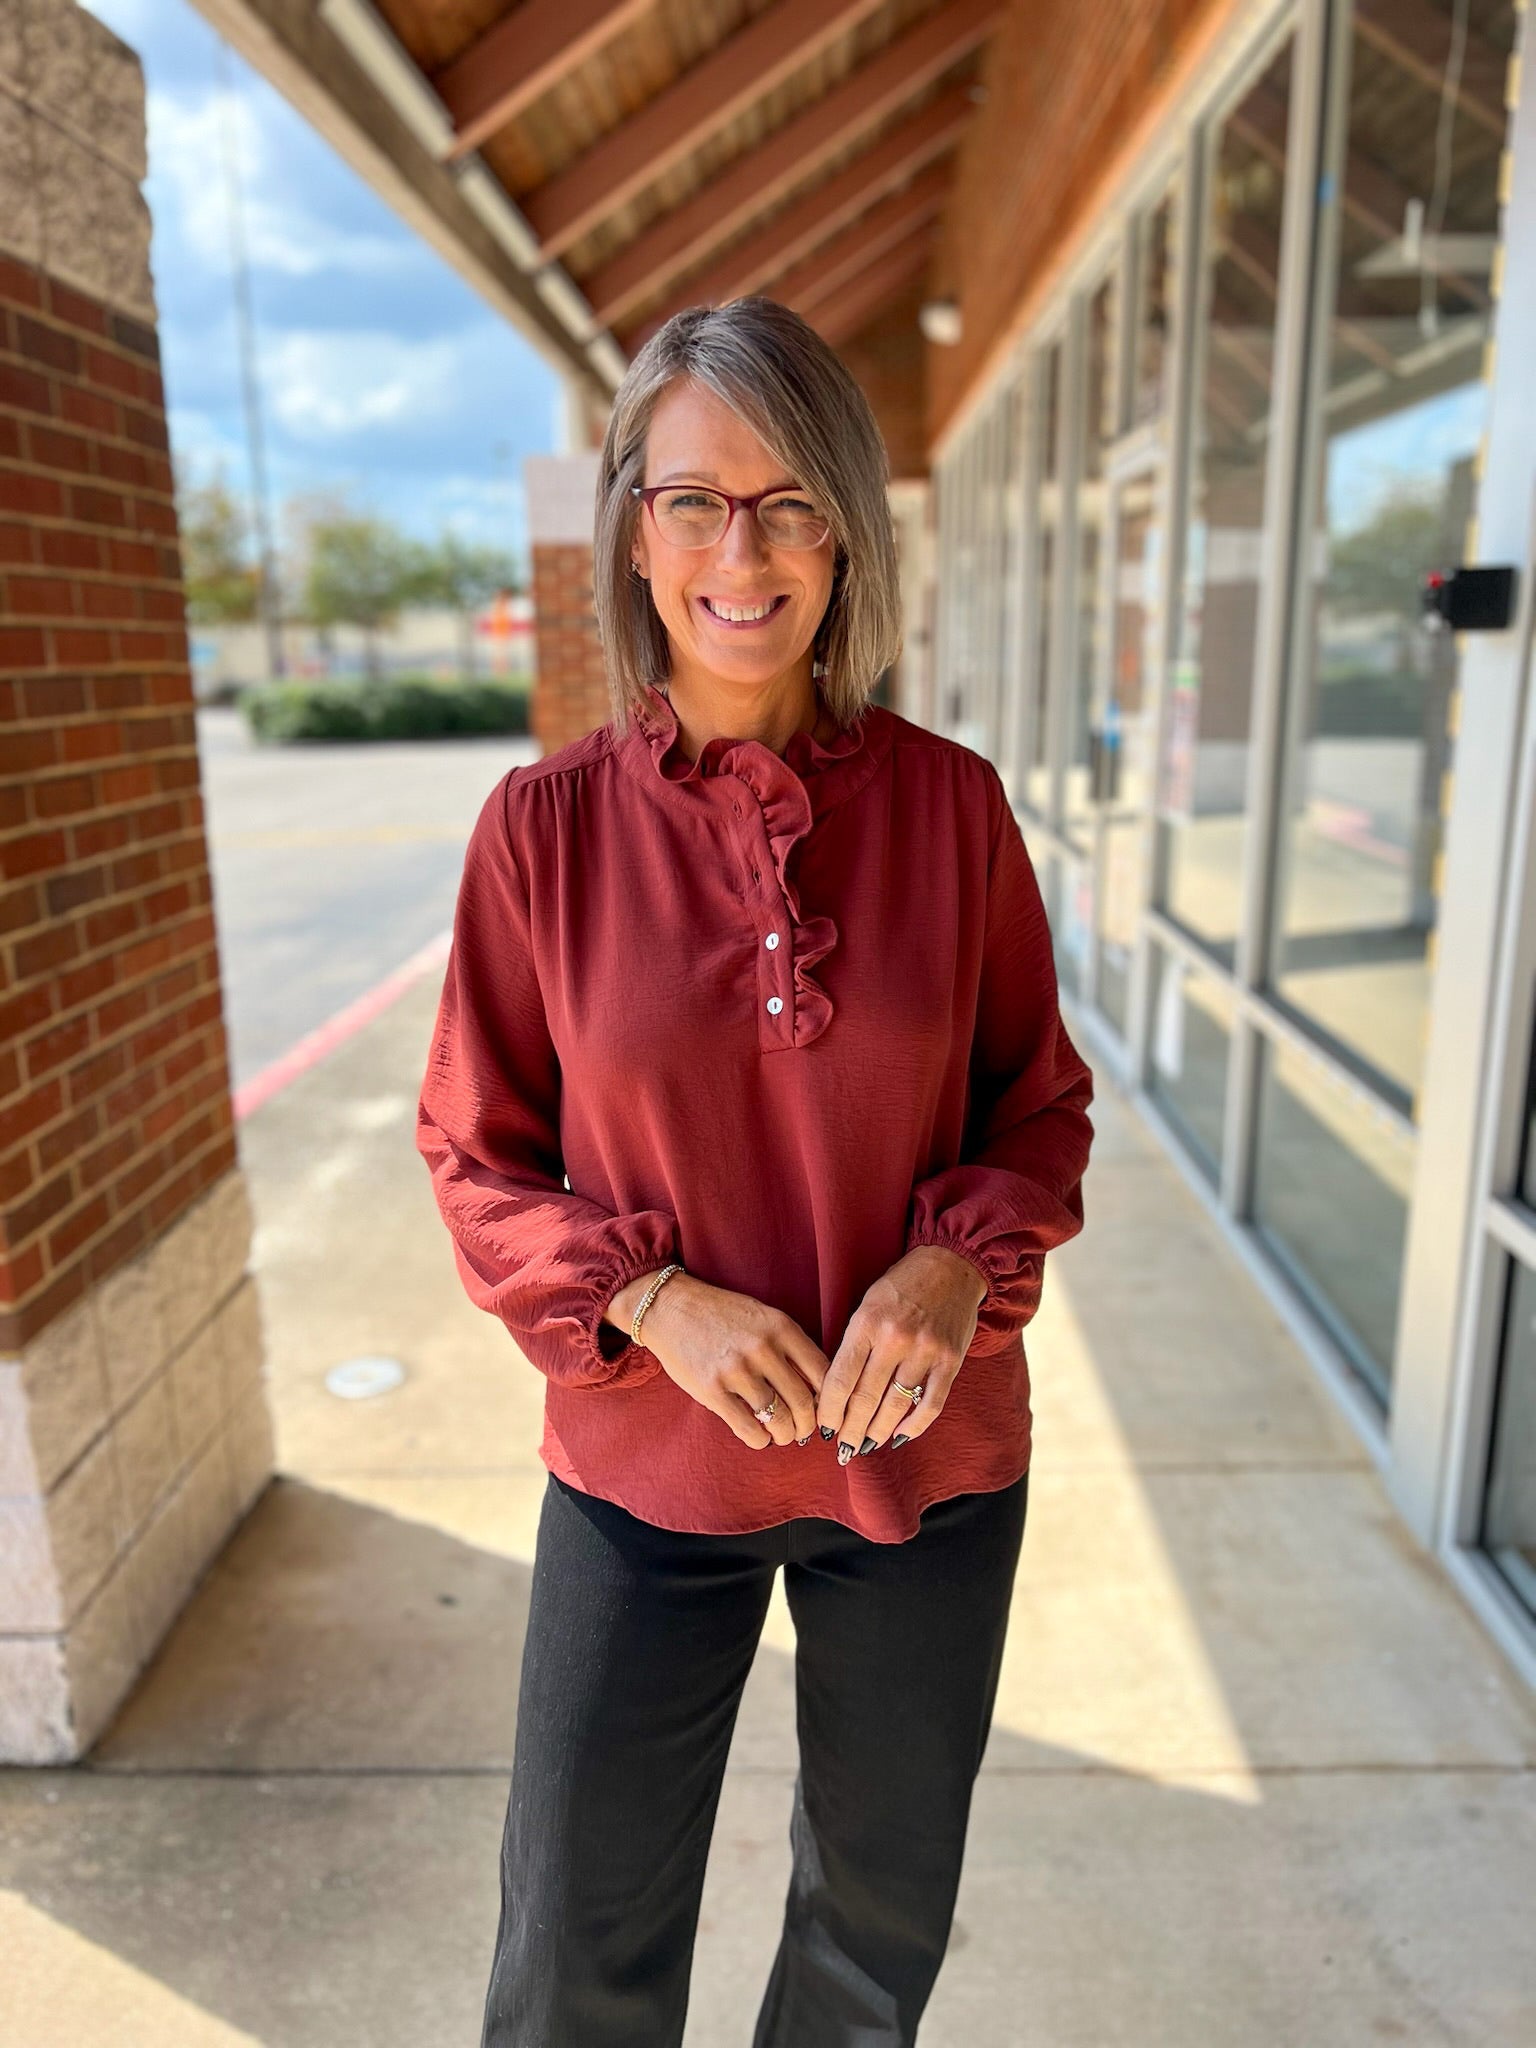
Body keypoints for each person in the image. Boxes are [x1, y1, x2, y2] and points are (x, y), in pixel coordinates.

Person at [415, 294, 1095, 2048]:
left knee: (875, 1938)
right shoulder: (543, 835)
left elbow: (1040, 1105)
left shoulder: (957, 811)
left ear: (848, 534)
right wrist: (649, 1298)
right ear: (636, 532)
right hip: (646, 1470)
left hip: (925, 1467)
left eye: (792, 501)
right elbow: (475, 1154)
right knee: (574, 1939)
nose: (745, 548)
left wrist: (953, 1266)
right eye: (698, 499)